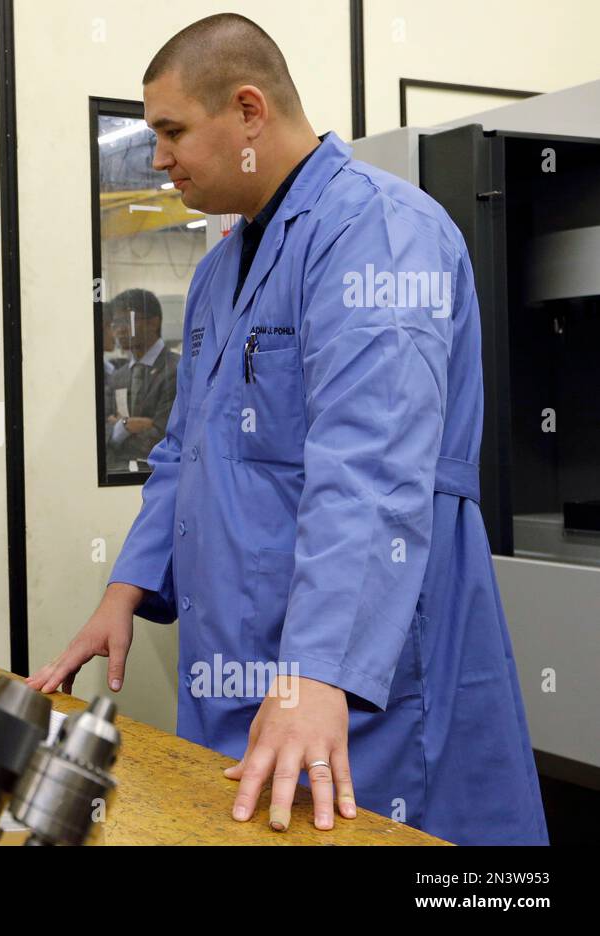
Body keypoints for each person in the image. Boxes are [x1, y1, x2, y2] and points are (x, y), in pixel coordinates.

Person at [29, 14, 548, 845]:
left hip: (360, 666)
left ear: (247, 110)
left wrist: (317, 671)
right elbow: (182, 452)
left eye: (170, 131)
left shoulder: (378, 234)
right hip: (240, 661)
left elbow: (372, 470)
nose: (157, 158)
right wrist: (124, 591)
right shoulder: (215, 274)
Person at [104, 288, 178, 467]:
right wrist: (125, 426)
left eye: (126, 321)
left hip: (163, 474)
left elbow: (165, 439)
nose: (119, 330)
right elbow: (102, 432)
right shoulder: (118, 377)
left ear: (153, 323)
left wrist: (118, 435)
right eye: (115, 324)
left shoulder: (177, 370)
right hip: (120, 477)